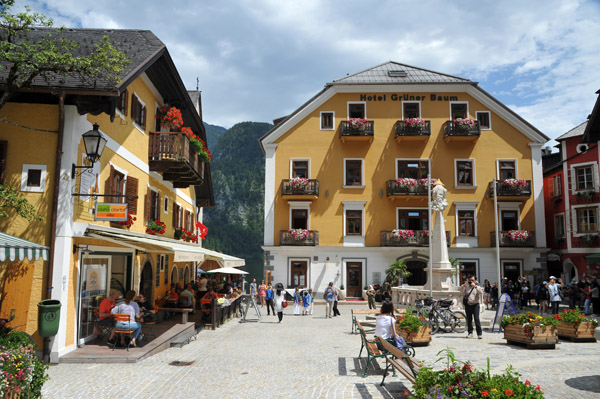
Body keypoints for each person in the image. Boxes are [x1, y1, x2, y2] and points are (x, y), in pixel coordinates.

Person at [463, 275, 484, 339]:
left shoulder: (477, 287)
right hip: (468, 305)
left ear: (475, 281)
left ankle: (479, 334)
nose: (471, 281)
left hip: (475, 305)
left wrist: (475, 286)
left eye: (472, 280)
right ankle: (470, 333)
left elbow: (481, 292)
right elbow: (462, 293)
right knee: (469, 319)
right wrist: (463, 286)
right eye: (470, 280)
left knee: (476, 319)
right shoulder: (466, 287)